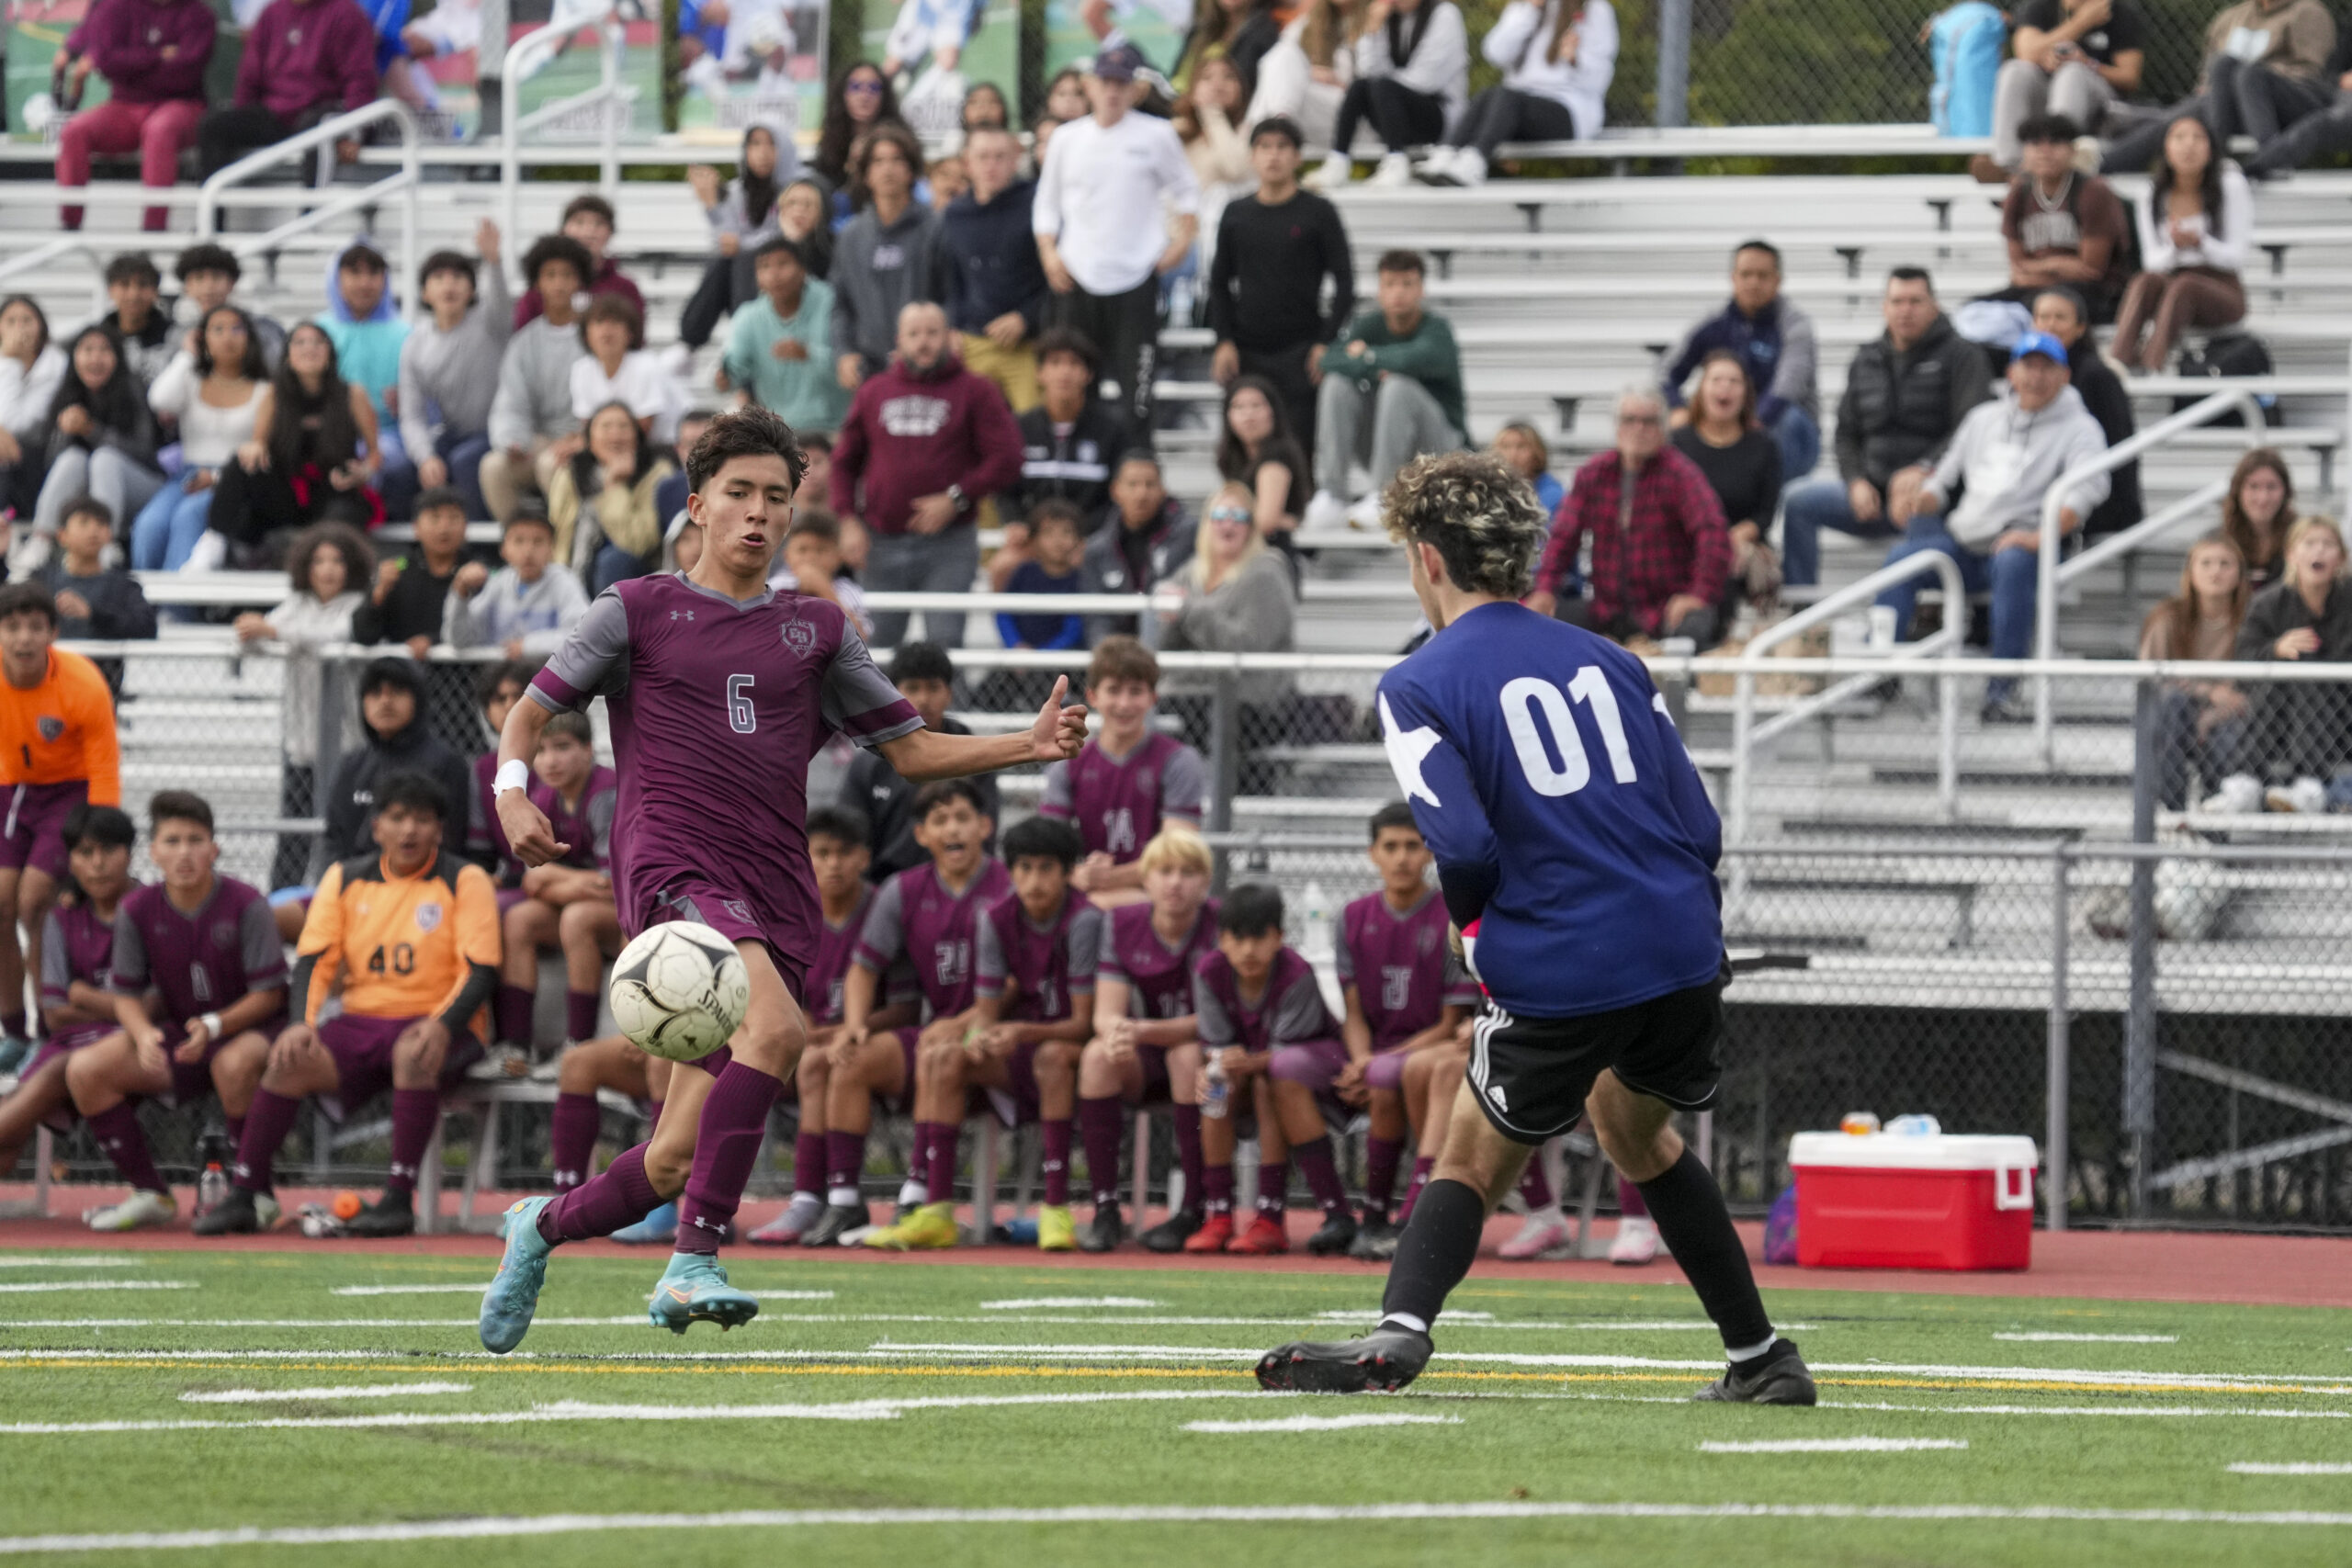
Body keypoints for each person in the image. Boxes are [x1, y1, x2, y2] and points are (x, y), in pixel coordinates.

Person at [477, 406, 1088, 1349]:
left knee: (674, 1157)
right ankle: (693, 1264)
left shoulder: (817, 628)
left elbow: (912, 751)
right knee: (777, 1027)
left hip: (775, 886)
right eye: (739, 494)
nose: (758, 513)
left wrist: (1029, 745)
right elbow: (526, 714)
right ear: (696, 506)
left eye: (776, 497)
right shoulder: (634, 608)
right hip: (671, 863)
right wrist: (514, 795)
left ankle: (539, 1226)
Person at [1257, 448, 1815, 1405]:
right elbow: (1703, 827)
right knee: (1636, 1133)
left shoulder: (1418, 682)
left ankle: (1400, 1330)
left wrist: (1477, 927)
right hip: (1681, 949)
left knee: (1472, 1151)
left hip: (1567, 954)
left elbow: (1463, 841)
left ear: (1427, 560)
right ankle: (1761, 1355)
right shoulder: (1615, 660)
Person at [196, 773, 498, 1238]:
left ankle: (398, 1199)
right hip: (360, 1022)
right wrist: (302, 1023)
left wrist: (442, 1024)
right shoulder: (345, 878)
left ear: (439, 829)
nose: (409, 831)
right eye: (397, 818)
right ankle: (245, 1192)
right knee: (289, 1059)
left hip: (442, 1023)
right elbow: (314, 961)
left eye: (422, 820)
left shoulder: (465, 879)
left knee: (412, 1051)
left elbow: (480, 969)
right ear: (377, 827)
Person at [872, 814, 1104, 1252]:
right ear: (1011, 871)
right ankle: (936, 1211)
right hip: (1021, 1048)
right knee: (945, 1055)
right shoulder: (995, 918)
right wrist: (978, 1034)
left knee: (1052, 1057)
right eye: (1024, 868)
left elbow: (1084, 1025)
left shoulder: (1084, 921)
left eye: (1046, 869)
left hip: (1074, 1053)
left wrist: (1014, 1030)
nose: (1034, 880)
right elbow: (987, 1010)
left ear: (1067, 872)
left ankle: (1055, 1209)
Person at [69, 791, 288, 1232]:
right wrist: (143, 1033)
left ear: (214, 848)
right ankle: (151, 1193)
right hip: (183, 1039)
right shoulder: (137, 909)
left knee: (233, 1062)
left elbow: (270, 994)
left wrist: (214, 1024)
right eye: (172, 841)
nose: (184, 852)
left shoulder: (247, 903)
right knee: (85, 1069)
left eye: (195, 840)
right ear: (152, 852)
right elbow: (127, 995)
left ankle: (256, 1194)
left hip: (252, 1033)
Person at [1879, 331, 2111, 720]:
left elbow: (2086, 490)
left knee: (2013, 562)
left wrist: (2037, 537)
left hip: (2027, 543)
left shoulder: (2081, 428)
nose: (2036, 376)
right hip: (1965, 541)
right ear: (2011, 372)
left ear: (2064, 375)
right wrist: (1921, 499)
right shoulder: (1982, 418)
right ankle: (1880, 671)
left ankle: (2002, 691)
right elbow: (1944, 479)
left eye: (2046, 367)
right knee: (1903, 559)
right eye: (2028, 366)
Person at [821, 779, 1008, 1247]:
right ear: (921, 835)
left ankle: (918, 1193)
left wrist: (962, 1023)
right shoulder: (902, 890)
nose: (953, 828)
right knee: (852, 1058)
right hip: (935, 1031)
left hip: (998, 1032)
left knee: (939, 1049)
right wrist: (855, 1026)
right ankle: (843, 1200)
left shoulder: (1007, 885)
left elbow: (1017, 980)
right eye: (940, 820)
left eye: (962, 817)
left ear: (985, 826)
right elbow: (863, 969)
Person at [1780, 267, 1991, 588]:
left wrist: (1925, 470)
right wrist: (1854, 481)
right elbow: (1845, 433)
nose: (1905, 310)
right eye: (1897, 301)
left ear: (1934, 305)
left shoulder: (1963, 355)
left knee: (1925, 513)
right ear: (1884, 307)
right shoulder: (1866, 358)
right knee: (1797, 501)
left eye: (1915, 301)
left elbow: (1972, 427)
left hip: (1936, 494)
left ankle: (1925, 618)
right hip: (1872, 495)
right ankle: (1802, 617)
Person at [830, 301, 1024, 649]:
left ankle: (948, 706)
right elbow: (844, 462)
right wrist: (846, 520)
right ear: (899, 341)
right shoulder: (874, 391)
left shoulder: (976, 390)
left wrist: (957, 497)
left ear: (950, 338)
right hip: (880, 541)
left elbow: (1008, 458)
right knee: (874, 649)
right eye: (914, 334)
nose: (923, 342)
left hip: (949, 543)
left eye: (932, 333)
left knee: (945, 643)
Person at [1034, 42, 1202, 436]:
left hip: (1135, 279)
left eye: (1121, 83)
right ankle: (1080, 477)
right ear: (1090, 85)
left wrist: (1181, 243)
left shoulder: (1157, 134)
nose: (1112, 91)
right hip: (1077, 276)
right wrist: (1048, 253)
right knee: (1076, 388)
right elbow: (1047, 204)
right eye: (1105, 82)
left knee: (1137, 395)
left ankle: (1138, 472)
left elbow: (1187, 191)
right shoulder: (1066, 139)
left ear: (1135, 89)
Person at [1174, 884, 1351, 1256]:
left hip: (1316, 1072)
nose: (1249, 950)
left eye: (1260, 938)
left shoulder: (1296, 973)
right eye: (1238, 939)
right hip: (1255, 1069)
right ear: (1221, 940)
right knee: (1217, 1082)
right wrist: (1214, 1069)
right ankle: (1219, 1215)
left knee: (1269, 1078)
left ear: (1280, 938)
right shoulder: (1208, 971)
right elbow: (1217, 1048)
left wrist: (1231, 1061)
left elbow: (1281, 1055)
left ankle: (1270, 1218)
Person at [1337, 800, 1479, 1258]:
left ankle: (1379, 1213)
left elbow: (1448, 1024)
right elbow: (1353, 1011)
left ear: (1431, 853)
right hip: (1373, 1056)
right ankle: (1353, 1215)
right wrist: (1361, 1059)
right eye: (1391, 846)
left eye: (1413, 846)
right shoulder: (1352, 916)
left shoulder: (1448, 916)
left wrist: (1377, 1063)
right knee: (1290, 1072)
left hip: (1427, 1049)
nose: (1402, 858)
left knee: (1383, 1078)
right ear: (1372, 853)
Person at [1071, 826, 1216, 1252]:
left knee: (1185, 1055)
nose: (1174, 882)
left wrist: (1144, 1030)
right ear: (1146, 879)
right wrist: (1116, 1034)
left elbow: (1214, 1020)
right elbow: (1105, 1011)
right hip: (1145, 1054)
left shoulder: (1219, 925)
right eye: (1164, 871)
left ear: (1205, 882)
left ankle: (1193, 1209)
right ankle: (1104, 1209)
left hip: (1210, 1057)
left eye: (1187, 872)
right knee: (1098, 1056)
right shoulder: (1121, 922)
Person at [751, 805, 889, 1245]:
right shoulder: (789, 912)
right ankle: (698, 1209)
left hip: (870, 1041)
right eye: (822, 852)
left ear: (864, 858)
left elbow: (907, 1005)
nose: (833, 863)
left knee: (815, 1062)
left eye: (844, 853)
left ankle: (812, 1198)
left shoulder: (884, 908)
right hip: (804, 1043)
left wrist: (846, 1028)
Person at [0, 582, 120, 1069]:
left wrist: (98, 842)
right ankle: (12, 1028)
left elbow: (105, 770)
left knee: (34, 900)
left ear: (52, 632)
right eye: (11, 627)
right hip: (15, 790)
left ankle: (48, 1026)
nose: (23, 639)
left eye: (34, 627)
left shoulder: (81, 682)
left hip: (70, 791)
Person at [1530, 387, 1731, 649]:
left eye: (1648, 421)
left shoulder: (1681, 474)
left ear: (1662, 428)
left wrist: (1697, 595)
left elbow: (1713, 533)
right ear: (1617, 427)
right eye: (1629, 420)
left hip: (1665, 610)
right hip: (1606, 610)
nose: (1639, 428)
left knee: (1693, 627)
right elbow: (1563, 536)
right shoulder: (1594, 473)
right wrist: (1545, 589)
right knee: (1543, 623)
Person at [0, 806, 133, 1191]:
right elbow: (56, 1013)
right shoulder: (61, 918)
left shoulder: (146, 909)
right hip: (71, 1042)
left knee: (61, 1068)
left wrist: (85, 995)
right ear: (70, 860)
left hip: (133, 1046)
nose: (97, 864)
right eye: (85, 853)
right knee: (6, 1151)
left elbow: (156, 1006)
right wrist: (115, 1005)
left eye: (108, 851)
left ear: (130, 852)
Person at [1210, 117, 1354, 461]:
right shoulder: (1236, 213)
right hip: (1248, 349)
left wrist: (1325, 342)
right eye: (1264, 147)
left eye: (1282, 147)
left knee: (1299, 445)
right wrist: (1223, 340)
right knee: (1244, 446)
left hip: (1302, 350)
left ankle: (1299, 512)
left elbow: (1346, 281)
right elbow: (1218, 281)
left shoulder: (1318, 212)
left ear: (1298, 157)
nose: (1273, 156)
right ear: (1252, 156)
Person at [239, 523, 370, 893]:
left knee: (348, 829)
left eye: (336, 561)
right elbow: (260, 638)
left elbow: (336, 637)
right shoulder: (297, 605)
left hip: (350, 747)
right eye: (319, 561)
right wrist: (249, 631)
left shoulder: (360, 606)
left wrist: (274, 633)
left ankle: (351, 898)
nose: (327, 569)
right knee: (293, 834)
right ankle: (280, 903)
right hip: (303, 744)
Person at [1039, 637, 1208, 912]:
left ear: (1153, 697)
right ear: (1092, 696)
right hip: (1087, 893)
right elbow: (1048, 847)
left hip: (1156, 898)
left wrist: (1108, 878)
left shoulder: (1179, 761)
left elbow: (1177, 856)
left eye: (1135, 691)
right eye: (1114, 690)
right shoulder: (1067, 764)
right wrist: (1075, 873)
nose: (1124, 703)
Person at [488, 709, 616, 1066]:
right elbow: (533, 881)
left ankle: (578, 1046)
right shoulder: (544, 798)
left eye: (562, 747)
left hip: (625, 914)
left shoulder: (606, 795)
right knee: (519, 920)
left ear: (589, 749)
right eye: (540, 751)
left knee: (577, 917)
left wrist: (557, 883)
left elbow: (617, 885)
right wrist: (559, 885)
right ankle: (515, 1047)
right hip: (580, 902)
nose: (550, 760)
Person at [1302, 250, 1463, 534]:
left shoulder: (1438, 329)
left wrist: (1368, 357)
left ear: (1421, 289)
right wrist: (1377, 363)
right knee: (1337, 384)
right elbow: (1330, 360)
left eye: (1407, 284)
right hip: (1384, 444)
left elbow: (1415, 359)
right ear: (1379, 290)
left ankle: (1385, 495)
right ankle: (1333, 494)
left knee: (1398, 385)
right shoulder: (1369, 325)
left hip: (1440, 447)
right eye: (1390, 284)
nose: (1398, 292)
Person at [2098, 0, 2336, 174]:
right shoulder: (2233, 17)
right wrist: (2216, 87)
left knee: (2247, 73)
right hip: (2230, 106)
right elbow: (2210, 70)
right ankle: (2103, 164)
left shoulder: (2308, 12)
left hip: (2287, 101)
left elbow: (2309, 73)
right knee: (2181, 118)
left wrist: (2239, 80)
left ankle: (2271, 158)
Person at [209, 321, 382, 550]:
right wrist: (253, 447)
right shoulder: (274, 394)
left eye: (318, 342)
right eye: (300, 342)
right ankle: (214, 540)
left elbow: (375, 454)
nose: (309, 348)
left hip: (335, 488)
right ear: (288, 356)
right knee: (240, 462)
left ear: (330, 353)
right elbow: (258, 443)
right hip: (287, 491)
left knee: (339, 519)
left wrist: (364, 472)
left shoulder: (353, 394)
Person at [1662, 240, 1819, 491]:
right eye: (1746, 274)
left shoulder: (1795, 325)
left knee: (1786, 420)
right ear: (1733, 277)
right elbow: (1665, 374)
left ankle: (1768, 505)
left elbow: (1788, 388)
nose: (1753, 282)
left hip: (1786, 432)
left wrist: (1748, 423)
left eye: (1762, 275)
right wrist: (1677, 407)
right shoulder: (1712, 321)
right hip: (1729, 423)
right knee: (1670, 421)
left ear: (1778, 280)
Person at [838, 642, 1001, 883]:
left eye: (933, 688)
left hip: (963, 886)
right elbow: (850, 841)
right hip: (882, 889)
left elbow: (986, 837)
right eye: (912, 688)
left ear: (949, 693)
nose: (924, 699)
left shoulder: (975, 755)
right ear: (891, 693)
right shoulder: (867, 765)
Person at [1159, 482, 1300, 748]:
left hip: (1250, 705)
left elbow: (1247, 647)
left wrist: (1187, 610)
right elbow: (1163, 645)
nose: (1228, 524)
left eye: (1239, 517)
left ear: (1251, 526)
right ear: (1207, 523)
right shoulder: (1191, 573)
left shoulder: (1266, 572)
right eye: (1220, 516)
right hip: (1189, 696)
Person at [54, 0, 214, 231]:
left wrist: (130, 69)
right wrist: (158, 56)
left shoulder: (200, 14)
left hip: (182, 104)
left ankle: (153, 230)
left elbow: (185, 74)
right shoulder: (115, 7)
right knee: (73, 131)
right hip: (124, 105)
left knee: (160, 130)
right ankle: (68, 226)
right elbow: (105, 61)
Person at [1420, 0, 1616, 186]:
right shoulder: (1524, 7)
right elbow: (1495, 53)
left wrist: (1575, 59)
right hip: (1516, 107)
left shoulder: (1595, 9)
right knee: (1489, 94)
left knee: (1507, 96)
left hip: (1569, 110)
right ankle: (1446, 154)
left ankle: (1475, 161)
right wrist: (1528, 12)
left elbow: (1599, 81)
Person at [311, 655, 473, 879]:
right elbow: (333, 840)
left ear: (417, 700)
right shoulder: (352, 765)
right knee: (284, 909)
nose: (385, 701)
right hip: (354, 888)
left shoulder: (445, 764)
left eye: (396, 692)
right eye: (375, 693)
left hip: (421, 888)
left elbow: (451, 842)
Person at [2112, 114, 2253, 373]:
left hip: (2221, 288)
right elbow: (2151, 261)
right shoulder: (2152, 192)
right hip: (2173, 285)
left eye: (2198, 138)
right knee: (2144, 281)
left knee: (2184, 286)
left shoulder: (2230, 184)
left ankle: (2152, 365)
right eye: (2179, 138)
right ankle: (2119, 362)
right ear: (2166, 148)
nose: (2188, 145)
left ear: (2210, 148)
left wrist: (2200, 244)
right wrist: (2176, 247)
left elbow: (2236, 256)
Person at [134, 306, 267, 572]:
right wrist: (186, 355)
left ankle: (177, 610)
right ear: (202, 337)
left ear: (250, 337)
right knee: (151, 523)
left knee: (188, 516)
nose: (227, 337)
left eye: (236, 328)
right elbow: (159, 399)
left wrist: (218, 478)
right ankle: (145, 603)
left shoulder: (266, 389)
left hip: (234, 480)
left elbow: (264, 451)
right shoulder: (191, 380)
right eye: (217, 329)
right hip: (188, 475)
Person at [2234, 513, 2352, 806]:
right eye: (2309, 543)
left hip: (2344, 716)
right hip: (2280, 718)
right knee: (2289, 662)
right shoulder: (2268, 603)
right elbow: (2243, 662)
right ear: (2291, 554)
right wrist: (2275, 650)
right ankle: (2247, 783)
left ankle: (2308, 785)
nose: (2318, 551)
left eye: (2328, 544)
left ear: (2342, 557)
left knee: (2308, 664)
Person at [398, 221, 512, 524]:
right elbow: (412, 416)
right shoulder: (415, 344)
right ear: (424, 292)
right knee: (404, 468)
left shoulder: (490, 323)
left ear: (472, 289)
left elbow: (503, 303)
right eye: (438, 278)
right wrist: (425, 457)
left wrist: (493, 261)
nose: (449, 285)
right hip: (451, 434)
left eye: (459, 277)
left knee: (464, 462)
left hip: (495, 431)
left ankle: (480, 547)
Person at [196, 0, 377, 186]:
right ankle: (210, 212)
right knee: (214, 125)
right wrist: (244, 115)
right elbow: (249, 76)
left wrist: (356, 133)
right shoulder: (272, 13)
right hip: (277, 116)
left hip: (322, 113)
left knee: (316, 127)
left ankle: (311, 212)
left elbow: (360, 79)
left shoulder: (347, 14)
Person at [481, 234, 594, 524]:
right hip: (540, 441)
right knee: (493, 467)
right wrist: (513, 440)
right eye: (550, 275)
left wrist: (584, 437)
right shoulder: (525, 342)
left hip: (587, 442)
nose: (559, 284)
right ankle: (519, 546)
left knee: (550, 464)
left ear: (579, 280)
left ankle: (565, 553)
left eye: (567, 275)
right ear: (537, 282)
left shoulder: (595, 333)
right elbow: (511, 400)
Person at [940, 125, 1052, 414]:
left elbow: (1055, 277)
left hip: (1026, 342)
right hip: (972, 339)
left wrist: (1025, 318)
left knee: (1033, 425)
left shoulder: (1037, 203)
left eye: (1000, 157)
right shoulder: (954, 215)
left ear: (1016, 159)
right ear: (967, 163)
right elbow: (950, 279)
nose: (991, 165)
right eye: (983, 157)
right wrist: (951, 326)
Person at [29, 327, 162, 561]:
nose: (95, 359)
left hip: (141, 486)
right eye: (88, 350)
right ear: (75, 358)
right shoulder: (65, 393)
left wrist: (91, 430)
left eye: (104, 350)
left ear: (117, 357)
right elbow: (50, 465)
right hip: (86, 492)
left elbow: (145, 453)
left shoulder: (133, 389)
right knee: (73, 459)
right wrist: (64, 431)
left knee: (105, 458)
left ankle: (106, 543)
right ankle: (41, 539)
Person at [1983, 114, 2131, 324]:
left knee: (2033, 310)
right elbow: (2017, 269)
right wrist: (2058, 263)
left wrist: (2036, 268)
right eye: (2035, 143)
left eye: (2055, 142)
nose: (2045, 151)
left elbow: (2091, 271)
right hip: (2035, 287)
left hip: (2096, 294)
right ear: (2024, 152)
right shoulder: (2019, 194)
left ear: (2072, 150)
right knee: (1973, 310)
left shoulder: (2092, 191)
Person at [2142, 533, 2253, 811]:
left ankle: (2215, 819)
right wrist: (2208, 692)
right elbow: (2152, 678)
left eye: (2225, 564)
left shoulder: (2252, 620)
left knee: (2227, 738)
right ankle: (2172, 814)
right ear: (2190, 573)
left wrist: (2212, 716)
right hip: (2178, 713)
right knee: (2174, 705)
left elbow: (2250, 692)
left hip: (2230, 715)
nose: (2216, 571)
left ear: (2240, 574)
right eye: (2206, 563)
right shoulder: (2167, 618)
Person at [1306, 0, 1469, 188]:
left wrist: (1384, 85)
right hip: (1398, 117)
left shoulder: (1444, 14)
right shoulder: (1390, 18)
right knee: (1359, 86)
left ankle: (1396, 161)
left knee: (1381, 85)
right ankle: (1338, 160)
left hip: (1439, 117)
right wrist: (1371, 30)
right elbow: (1367, 70)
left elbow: (1426, 80)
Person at [831, 125, 944, 391]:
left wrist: (927, 342)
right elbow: (839, 306)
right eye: (878, 161)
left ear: (911, 169)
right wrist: (844, 352)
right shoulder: (850, 236)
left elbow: (951, 295)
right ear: (866, 174)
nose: (888, 169)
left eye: (897, 159)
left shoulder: (937, 227)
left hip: (929, 368)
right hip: (870, 373)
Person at [1671, 353, 1782, 618]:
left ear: (1746, 393)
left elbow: (1766, 514)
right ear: (1701, 390)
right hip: (1687, 540)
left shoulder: (1764, 446)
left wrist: (1731, 538)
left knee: (1730, 557)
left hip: (1742, 541)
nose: (1725, 387)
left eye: (1734, 381)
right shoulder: (1678, 443)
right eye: (1717, 379)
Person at [1984, 0, 2149, 179]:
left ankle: (2055, 161)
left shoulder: (2117, 11)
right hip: (2046, 97)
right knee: (2014, 70)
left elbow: (2130, 77)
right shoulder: (2039, 6)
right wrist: (2081, 23)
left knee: (2072, 72)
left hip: (2100, 106)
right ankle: (2012, 167)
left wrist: (2087, 63)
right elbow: (2026, 53)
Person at [2031, 286, 2138, 537]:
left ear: (2080, 327)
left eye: (2060, 317)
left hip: (2092, 508)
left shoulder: (2097, 376)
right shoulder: (2024, 375)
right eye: (2043, 317)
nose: (2050, 325)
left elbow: (2120, 446)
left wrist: (2120, 514)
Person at [680, 124, 797, 353]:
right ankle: (688, 343)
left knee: (740, 259)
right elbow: (724, 241)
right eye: (755, 144)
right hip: (743, 276)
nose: (763, 152)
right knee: (723, 262)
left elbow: (784, 238)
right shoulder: (736, 191)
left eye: (771, 144)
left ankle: (712, 342)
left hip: (786, 269)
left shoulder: (795, 187)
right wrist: (711, 205)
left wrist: (741, 245)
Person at [549, 401, 680, 594]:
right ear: (589, 439)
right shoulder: (571, 472)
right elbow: (560, 530)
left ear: (637, 436)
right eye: (606, 427)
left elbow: (639, 543)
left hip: (637, 570)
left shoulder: (657, 472)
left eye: (623, 426)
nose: (615, 435)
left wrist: (615, 486)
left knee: (612, 559)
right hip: (579, 565)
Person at [719, 237, 846, 435]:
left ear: (803, 270)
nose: (774, 274)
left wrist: (807, 353)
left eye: (783, 264)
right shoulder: (748, 316)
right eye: (764, 267)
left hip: (837, 427)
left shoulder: (833, 303)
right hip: (781, 435)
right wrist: (724, 376)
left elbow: (849, 366)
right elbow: (733, 368)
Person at [1010, 329, 1130, 530]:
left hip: (1094, 542)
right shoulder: (1019, 427)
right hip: (1035, 539)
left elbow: (1118, 496)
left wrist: (1085, 535)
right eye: (1055, 362)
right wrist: (1017, 523)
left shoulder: (1112, 429)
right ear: (1040, 373)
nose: (1065, 372)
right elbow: (1006, 491)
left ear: (1089, 374)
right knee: (1003, 562)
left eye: (1074, 363)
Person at [315, 243, 412, 490]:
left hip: (391, 436)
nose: (365, 283)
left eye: (373, 274)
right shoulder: (316, 333)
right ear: (337, 279)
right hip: (330, 433)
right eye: (355, 273)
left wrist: (409, 400)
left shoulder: (407, 334)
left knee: (372, 460)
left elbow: (428, 403)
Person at [445, 511, 591, 659]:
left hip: (549, 675)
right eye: (519, 541)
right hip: (500, 676)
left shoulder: (564, 582)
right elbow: (460, 640)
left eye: (538, 541)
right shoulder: (498, 583)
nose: (528, 552)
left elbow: (583, 636)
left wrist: (528, 646)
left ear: (552, 549)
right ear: (503, 549)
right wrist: (460, 592)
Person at [1080, 453, 1193, 643]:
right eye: (1132, 484)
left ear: (1163, 490)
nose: (1141, 494)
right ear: (1115, 490)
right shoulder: (1096, 550)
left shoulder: (1190, 538)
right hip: (1116, 657)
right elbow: (1095, 617)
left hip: (1172, 650)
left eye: (1150, 485)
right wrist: (1109, 653)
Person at [353, 487, 478, 655]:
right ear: (416, 527)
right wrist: (377, 595)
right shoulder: (397, 572)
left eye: (454, 518)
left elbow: (484, 630)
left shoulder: (476, 574)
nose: (444, 528)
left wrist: (432, 642)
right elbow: (364, 635)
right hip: (403, 675)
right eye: (434, 519)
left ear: (466, 527)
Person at [514, 194, 644, 331]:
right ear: (563, 230)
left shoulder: (624, 289)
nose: (589, 231)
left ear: (610, 232)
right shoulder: (542, 287)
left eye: (598, 223)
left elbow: (636, 339)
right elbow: (521, 334)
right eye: (579, 222)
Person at [1246, 0, 1363, 151]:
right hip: (1310, 107)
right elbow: (1277, 65)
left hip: (1355, 113)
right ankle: (1278, 125)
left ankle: (1254, 137)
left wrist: (1334, 81)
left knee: (1284, 69)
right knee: (1282, 55)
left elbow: (1379, 89)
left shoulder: (1375, 20)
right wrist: (1309, 72)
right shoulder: (1309, 23)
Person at [569, 296, 683, 447]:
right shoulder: (581, 369)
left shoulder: (646, 366)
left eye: (615, 323)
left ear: (630, 334)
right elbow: (588, 427)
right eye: (599, 322)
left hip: (666, 446)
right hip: (613, 448)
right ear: (586, 335)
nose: (606, 331)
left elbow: (643, 430)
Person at [40, 500, 157, 643]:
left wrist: (93, 615)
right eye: (84, 523)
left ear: (109, 535)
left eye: (101, 524)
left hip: (103, 665)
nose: (93, 531)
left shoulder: (123, 586)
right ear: (62, 535)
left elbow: (147, 628)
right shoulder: (43, 581)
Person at [1217, 375, 1309, 551]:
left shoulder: (1277, 457)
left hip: (1273, 553)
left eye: (1256, 406)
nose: (1248, 415)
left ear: (1273, 411)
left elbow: (1266, 521)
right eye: (1239, 407)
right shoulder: (1233, 459)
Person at [992, 502, 1088, 664]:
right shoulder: (1023, 572)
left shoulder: (1080, 579)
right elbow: (1003, 613)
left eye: (1066, 532)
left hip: (1062, 663)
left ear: (1079, 539)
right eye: (1048, 533)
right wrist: (1016, 646)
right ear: (1034, 539)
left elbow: (1074, 628)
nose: (1058, 541)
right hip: (1019, 660)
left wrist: (1042, 656)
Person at [173, 243, 288, 369]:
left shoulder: (263, 329)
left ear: (232, 283)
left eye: (216, 277)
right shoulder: (178, 335)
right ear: (186, 287)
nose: (208, 286)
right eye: (199, 278)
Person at [0, 298, 65, 522]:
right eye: (11, 321)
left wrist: (11, 362)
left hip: (39, 453)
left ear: (41, 325)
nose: (19, 328)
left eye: (27, 320)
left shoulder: (57, 365)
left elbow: (19, 424)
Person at [770, 510, 873, 637]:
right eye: (802, 550)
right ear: (787, 556)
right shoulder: (775, 587)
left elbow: (860, 637)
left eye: (821, 550)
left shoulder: (847, 590)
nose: (811, 557)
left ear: (838, 557)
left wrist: (825, 590)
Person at [813, 62, 902, 194]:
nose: (864, 96)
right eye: (855, 87)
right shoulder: (830, 143)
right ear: (843, 94)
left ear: (884, 96)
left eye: (873, 88)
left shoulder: (899, 140)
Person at [97, 253, 175, 391]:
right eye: (124, 284)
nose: (134, 294)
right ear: (110, 291)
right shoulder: (97, 338)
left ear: (156, 291)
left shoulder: (175, 338)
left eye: (143, 284)